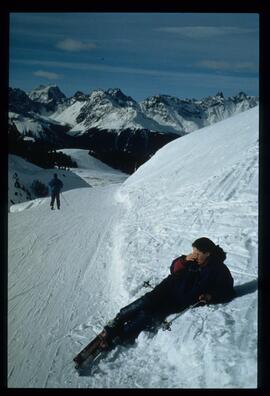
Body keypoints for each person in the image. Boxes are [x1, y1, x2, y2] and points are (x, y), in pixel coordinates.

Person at [100, 237, 235, 349]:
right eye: (193, 251)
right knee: (146, 301)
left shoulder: (218, 269)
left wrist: (210, 296)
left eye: (198, 253)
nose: (195, 255)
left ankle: (122, 335)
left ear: (208, 253)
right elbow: (173, 268)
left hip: (179, 300)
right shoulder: (192, 260)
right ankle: (118, 320)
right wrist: (184, 260)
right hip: (167, 287)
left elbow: (228, 290)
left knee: (150, 314)